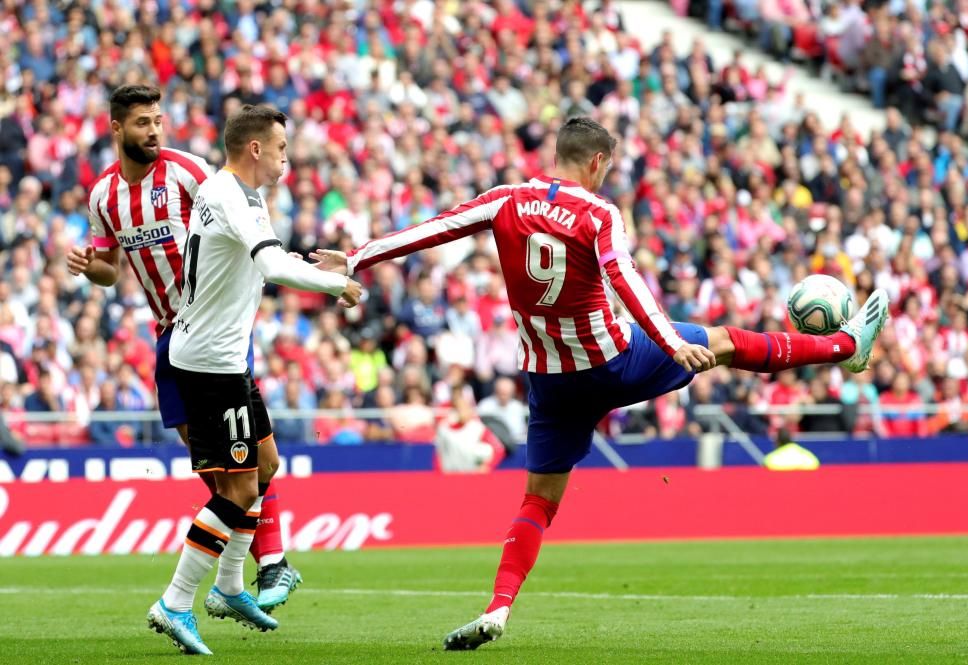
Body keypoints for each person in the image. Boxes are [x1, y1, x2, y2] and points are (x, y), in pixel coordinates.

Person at [311, 117, 889, 650]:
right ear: (596, 163)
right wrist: (670, 343)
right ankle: (844, 347)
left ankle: (498, 608)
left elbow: (434, 229)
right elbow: (625, 278)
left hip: (551, 381)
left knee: (539, 498)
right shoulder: (598, 213)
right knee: (728, 341)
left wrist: (358, 258)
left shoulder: (504, 201)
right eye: (608, 167)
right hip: (614, 360)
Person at [66, 85, 304, 612]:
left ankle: (262, 568)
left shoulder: (188, 171)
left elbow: (241, 211)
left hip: (212, 333)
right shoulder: (103, 196)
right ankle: (234, 583)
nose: (153, 130)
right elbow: (110, 267)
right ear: (117, 129)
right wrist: (92, 269)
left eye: (158, 120)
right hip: (170, 342)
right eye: (142, 122)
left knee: (255, 463)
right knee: (222, 472)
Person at [147, 104, 362, 655]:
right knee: (238, 489)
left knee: (265, 466)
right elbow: (273, 268)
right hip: (211, 363)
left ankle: (230, 585)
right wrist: (336, 288)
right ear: (256, 149)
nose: (288, 157)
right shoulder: (228, 194)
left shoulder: (241, 196)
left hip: (221, 357)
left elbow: (266, 256)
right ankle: (174, 602)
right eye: (282, 147)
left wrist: (324, 269)